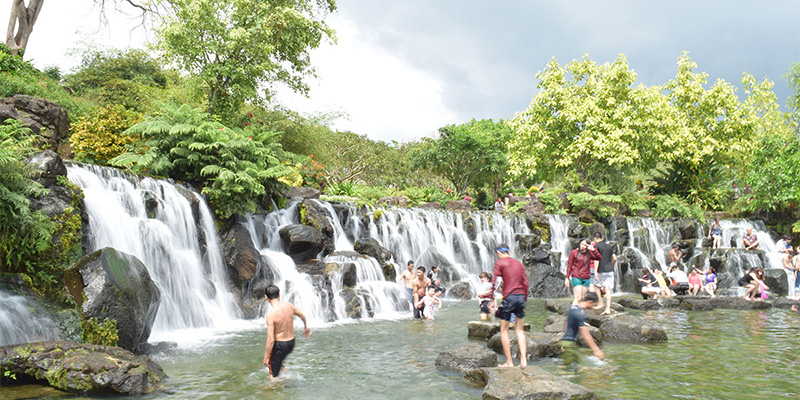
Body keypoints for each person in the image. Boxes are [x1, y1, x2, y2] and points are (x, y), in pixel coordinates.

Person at [262, 284, 311, 381]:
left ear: (266, 297)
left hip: (280, 345)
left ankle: (277, 389)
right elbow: (302, 315)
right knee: (278, 361)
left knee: (272, 374)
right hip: (291, 343)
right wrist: (305, 328)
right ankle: (287, 375)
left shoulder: (270, 315)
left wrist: (266, 357)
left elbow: (271, 339)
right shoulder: (289, 306)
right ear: (279, 295)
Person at [491, 244, 529, 368]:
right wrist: (525, 298)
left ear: (499, 252)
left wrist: (491, 296)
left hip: (509, 297)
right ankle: (523, 361)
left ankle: (509, 362)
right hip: (521, 297)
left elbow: (494, 281)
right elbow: (525, 283)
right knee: (520, 329)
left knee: (504, 331)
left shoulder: (500, 263)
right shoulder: (519, 264)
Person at [558, 292, 605, 365]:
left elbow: (566, 324)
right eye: (593, 305)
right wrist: (596, 350)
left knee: (577, 366)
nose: (593, 307)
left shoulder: (573, 308)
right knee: (568, 368)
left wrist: (564, 338)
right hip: (569, 344)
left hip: (568, 342)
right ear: (590, 302)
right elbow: (585, 333)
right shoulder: (579, 314)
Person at [565, 239, 601, 306]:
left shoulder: (589, 253)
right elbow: (569, 266)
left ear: (587, 246)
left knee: (582, 298)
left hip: (586, 277)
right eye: (581, 244)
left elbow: (599, 258)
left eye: (584, 245)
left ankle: (578, 313)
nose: (582, 246)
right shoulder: (574, 252)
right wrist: (567, 277)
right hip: (576, 277)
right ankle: (572, 313)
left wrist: (593, 250)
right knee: (578, 298)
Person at [591, 232, 617, 315]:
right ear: (602, 238)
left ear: (595, 238)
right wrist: (611, 266)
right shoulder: (609, 246)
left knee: (595, 285)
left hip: (601, 270)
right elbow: (615, 258)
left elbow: (596, 259)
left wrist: (595, 271)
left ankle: (600, 303)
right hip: (610, 270)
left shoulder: (596, 246)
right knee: (608, 289)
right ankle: (608, 308)